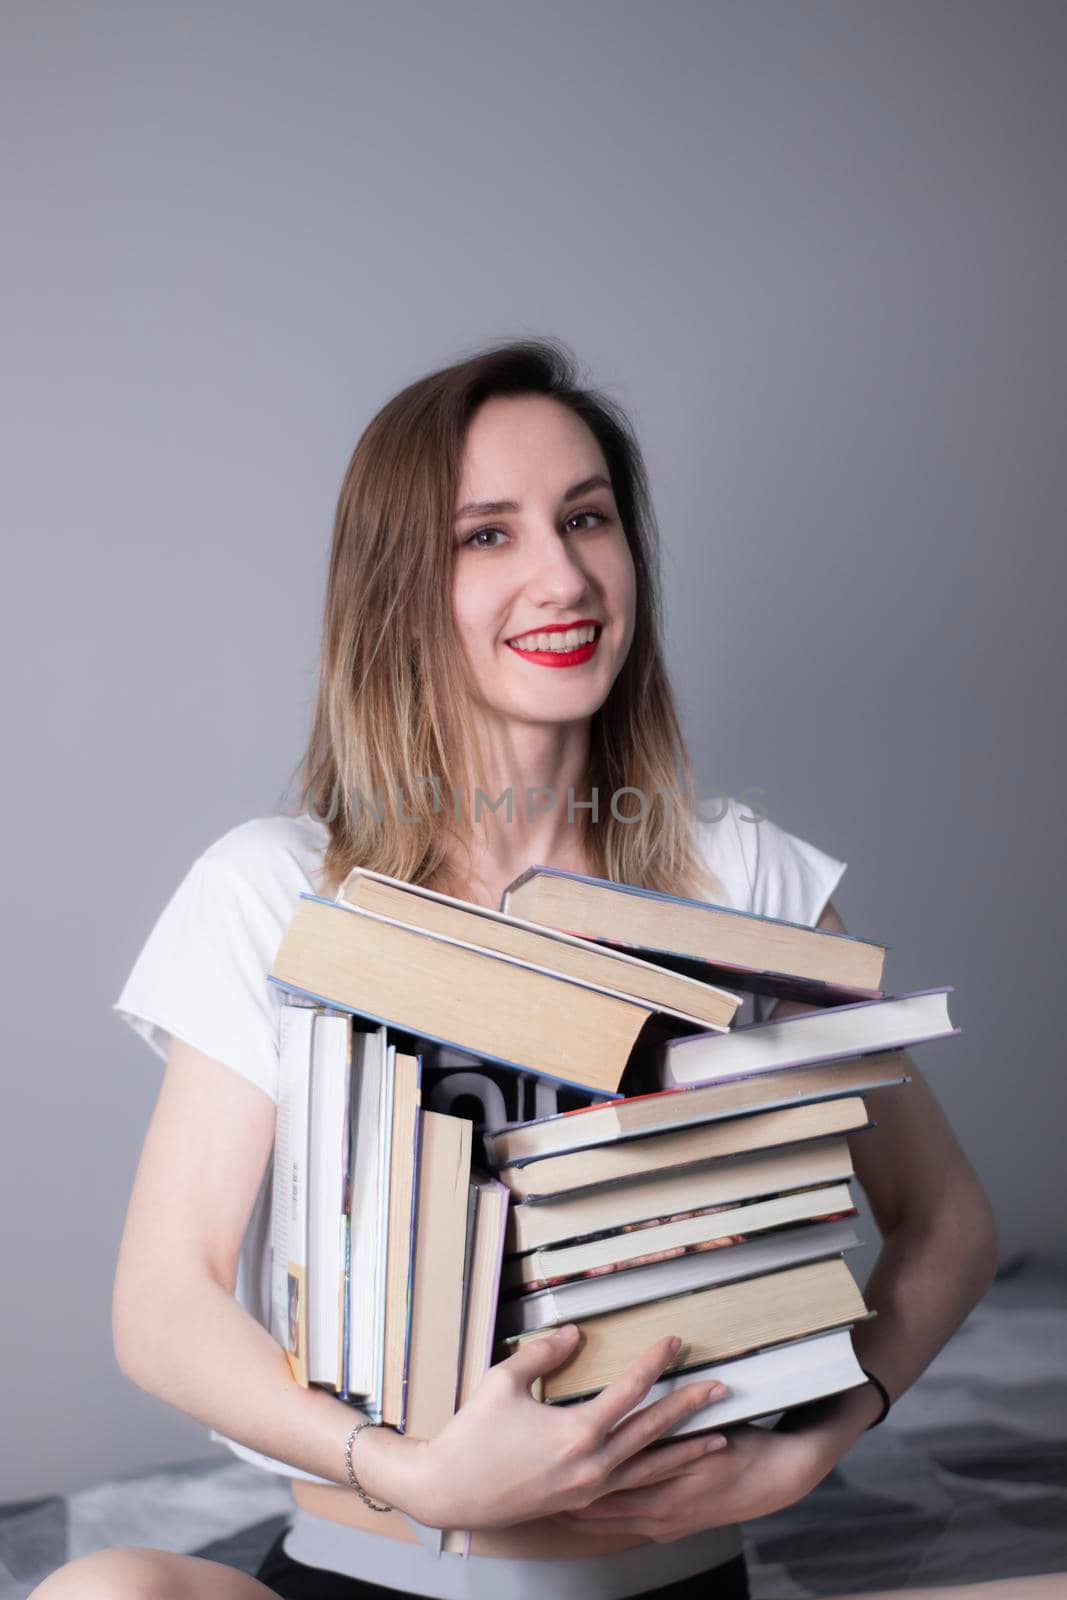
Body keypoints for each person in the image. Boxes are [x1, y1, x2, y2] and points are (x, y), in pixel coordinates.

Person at [32, 339, 998, 1600]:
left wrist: (810, 1448)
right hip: (359, 1566)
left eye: (586, 518)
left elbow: (945, 1220)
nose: (562, 574)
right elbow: (163, 1304)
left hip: (666, 1582)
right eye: (486, 535)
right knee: (102, 1592)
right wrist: (406, 1472)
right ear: (398, 586)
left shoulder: (738, 881)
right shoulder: (279, 887)